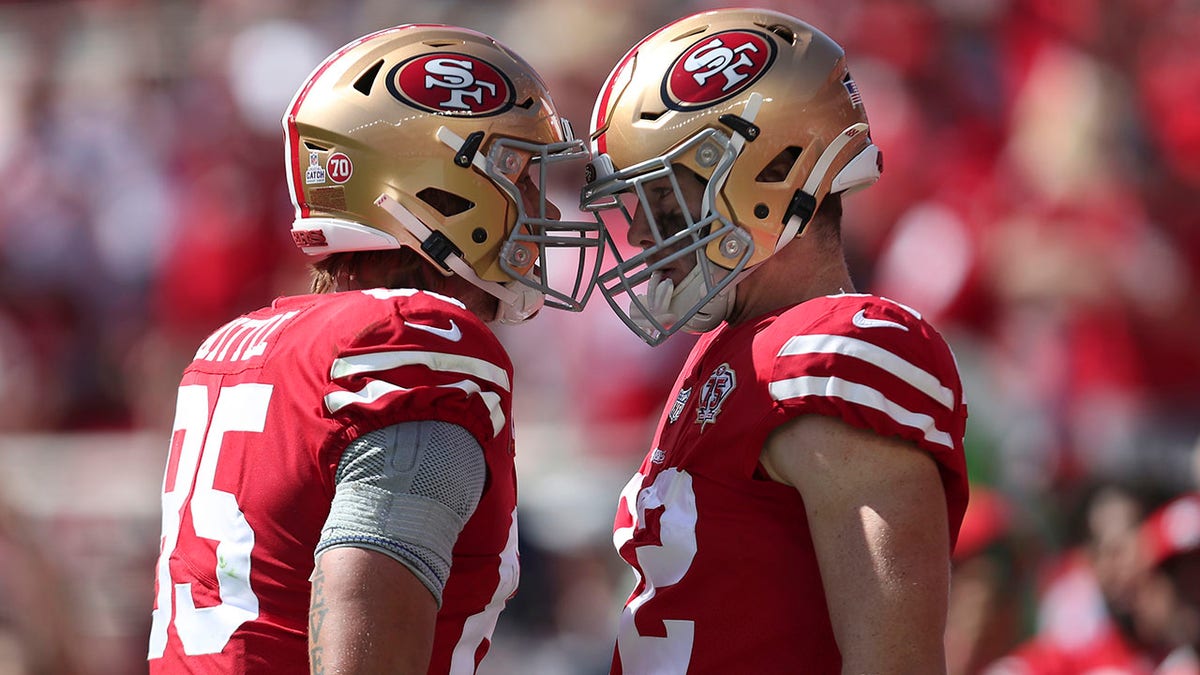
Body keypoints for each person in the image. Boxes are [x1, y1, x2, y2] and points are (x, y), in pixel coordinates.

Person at [147, 24, 602, 674]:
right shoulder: (416, 342)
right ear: (441, 186)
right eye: (518, 174)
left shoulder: (235, 344)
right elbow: (364, 620)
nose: (542, 210)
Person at [579, 8, 970, 673]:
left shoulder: (848, 350)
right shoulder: (726, 348)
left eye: (664, 201)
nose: (642, 235)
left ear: (768, 172)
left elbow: (894, 660)